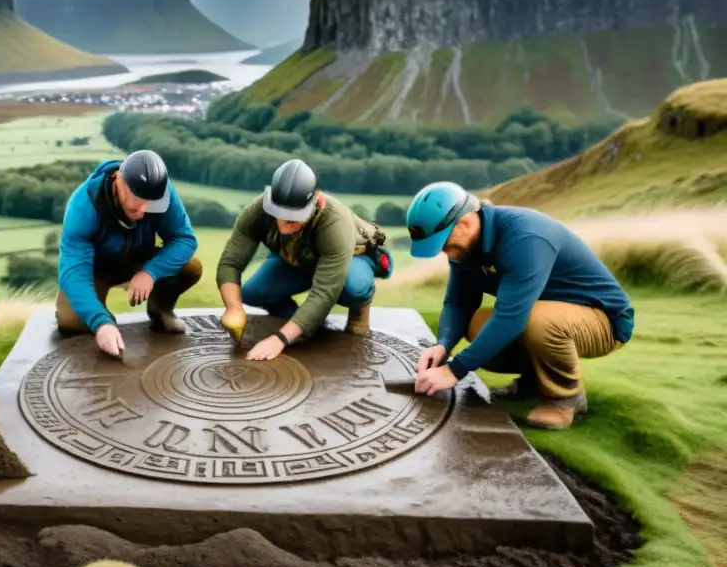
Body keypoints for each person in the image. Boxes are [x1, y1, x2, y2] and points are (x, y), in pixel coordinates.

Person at [405, 181, 634, 429]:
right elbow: (459, 302)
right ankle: (533, 383)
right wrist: (443, 345)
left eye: (446, 244)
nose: (447, 254)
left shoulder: (526, 237)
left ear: (466, 222)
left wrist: (454, 371)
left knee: (535, 321)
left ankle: (565, 398)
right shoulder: (466, 248)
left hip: (604, 322)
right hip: (546, 313)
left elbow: (510, 317)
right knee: (477, 325)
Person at [215, 159, 393, 360]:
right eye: (279, 214)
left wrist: (280, 338)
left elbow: (325, 291)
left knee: (354, 288)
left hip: (353, 259)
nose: (285, 226)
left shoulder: (334, 222)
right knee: (251, 293)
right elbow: (231, 263)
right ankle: (304, 321)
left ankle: (358, 310)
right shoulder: (257, 210)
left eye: (293, 218)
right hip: (298, 259)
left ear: (314, 201)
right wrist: (233, 308)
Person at [56, 149, 202, 357]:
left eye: (151, 206)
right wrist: (101, 323)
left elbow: (185, 239)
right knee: (70, 321)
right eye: (137, 207)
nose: (144, 213)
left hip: (140, 260)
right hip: (95, 268)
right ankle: (104, 326)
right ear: (120, 182)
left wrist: (150, 272)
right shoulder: (83, 206)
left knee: (191, 268)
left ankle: (161, 311)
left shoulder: (161, 192)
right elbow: (74, 273)